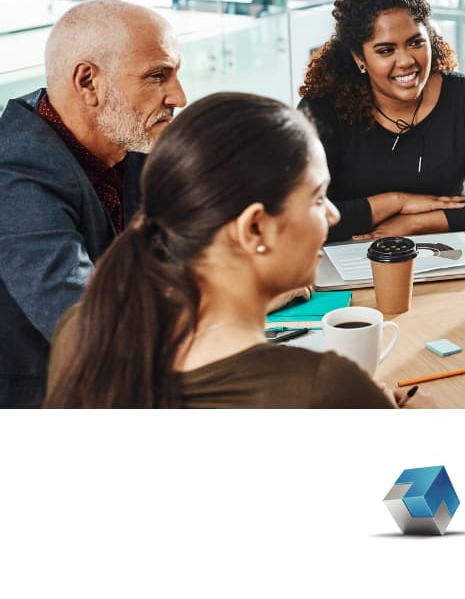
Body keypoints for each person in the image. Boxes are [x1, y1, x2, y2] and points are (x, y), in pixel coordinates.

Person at [44, 93, 422, 409]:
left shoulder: (82, 329)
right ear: (255, 227)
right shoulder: (323, 389)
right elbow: (425, 500)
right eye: (318, 198)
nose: (334, 214)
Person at [0, 0, 186, 407]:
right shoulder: (15, 175)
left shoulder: (128, 141)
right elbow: (87, 326)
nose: (179, 96)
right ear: (88, 83)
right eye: (158, 76)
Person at [299, 0, 465, 243]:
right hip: (346, 257)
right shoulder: (321, 111)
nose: (406, 61)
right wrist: (396, 202)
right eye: (385, 50)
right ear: (359, 58)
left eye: (416, 42)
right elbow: (299, 217)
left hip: (443, 253)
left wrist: (415, 224)